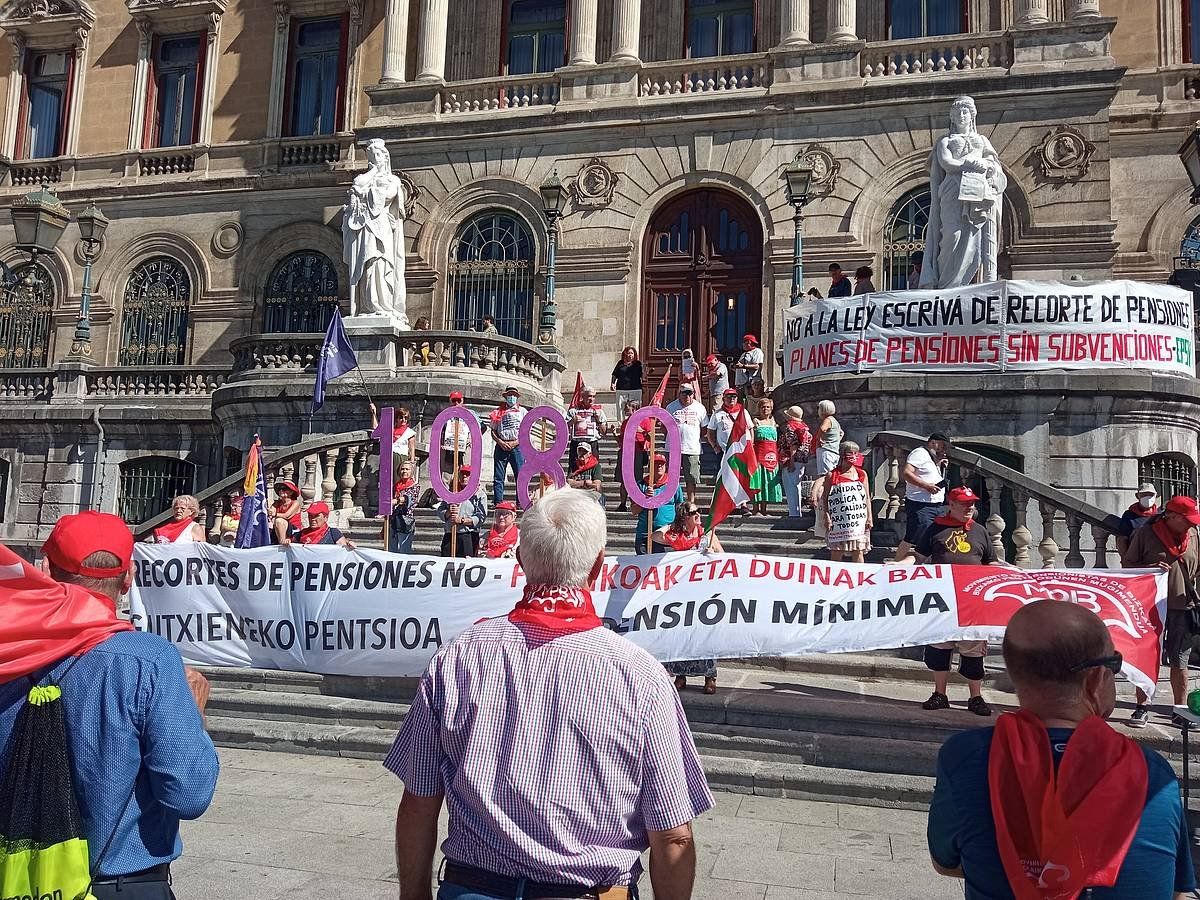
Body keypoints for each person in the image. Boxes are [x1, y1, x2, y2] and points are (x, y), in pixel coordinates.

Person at [386, 487, 712, 899]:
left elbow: (419, 802)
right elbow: (673, 837)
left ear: (520, 561)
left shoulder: (460, 655)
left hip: (475, 887)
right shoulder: (640, 675)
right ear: (597, 567)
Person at [0, 511, 219, 899]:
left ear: (45, 568)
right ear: (129, 576)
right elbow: (188, 793)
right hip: (121, 886)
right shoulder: (149, 661)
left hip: (12, 878)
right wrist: (195, 714)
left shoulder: (7, 656)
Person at [927, 599, 1196, 900]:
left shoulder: (965, 757)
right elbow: (1177, 890)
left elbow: (945, 862)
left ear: (1016, 674)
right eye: (1114, 664)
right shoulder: (1152, 772)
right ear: (1095, 679)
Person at [897, 486, 1002, 716]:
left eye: (972, 504)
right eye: (964, 504)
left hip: (972, 602)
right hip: (942, 601)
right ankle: (939, 693)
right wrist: (900, 565)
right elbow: (919, 556)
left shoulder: (980, 531)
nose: (969, 508)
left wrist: (1011, 571)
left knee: (973, 650)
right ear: (951, 505)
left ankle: (975, 697)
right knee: (939, 649)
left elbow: (990, 562)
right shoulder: (935, 529)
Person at [1122, 494, 1200, 727]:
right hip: (1149, 605)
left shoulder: (1194, 534)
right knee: (1148, 656)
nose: (1191, 524)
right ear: (1172, 516)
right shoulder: (1146, 534)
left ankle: (1180, 710)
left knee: (1180, 660)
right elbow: (1128, 565)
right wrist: (1150, 568)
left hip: (1183, 606)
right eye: (1187, 519)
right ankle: (1141, 707)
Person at [657, 502, 724, 695]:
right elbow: (656, 536)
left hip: (704, 592)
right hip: (683, 591)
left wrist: (713, 554)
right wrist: (671, 526)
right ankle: (680, 675)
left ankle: (710, 677)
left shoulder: (707, 534)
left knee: (704, 633)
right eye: (694, 512)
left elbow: (723, 556)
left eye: (699, 511)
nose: (698, 515)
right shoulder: (677, 536)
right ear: (684, 517)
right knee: (681, 633)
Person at [893, 432, 950, 562]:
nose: (944, 449)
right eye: (942, 445)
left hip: (936, 505)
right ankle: (896, 563)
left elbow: (926, 472)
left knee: (933, 535)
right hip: (921, 504)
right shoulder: (919, 453)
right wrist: (926, 486)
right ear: (933, 442)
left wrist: (939, 463)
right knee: (913, 537)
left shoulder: (932, 458)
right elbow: (907, 473)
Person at [820, 440, 873, 563]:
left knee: (858, 550)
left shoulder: (862, 474)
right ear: (843, 454)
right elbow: (826, 498)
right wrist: (827, 516)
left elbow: (866, 497)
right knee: (837, 552)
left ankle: (860, 578)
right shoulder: (831, 475)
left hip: (858, 521)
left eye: (856, 453)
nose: (854, 456)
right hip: (839, 521)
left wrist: (869, 517)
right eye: (851, 453)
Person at [435, 465, 488, 558]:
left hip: (468, 536)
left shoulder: (479, 494)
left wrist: (463, 520)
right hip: (450, 534)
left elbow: (481, 517)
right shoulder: (451, 492)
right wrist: (448, 512)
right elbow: (440, 510)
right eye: (462, 474)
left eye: (467, 474)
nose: (464, 477)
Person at [635, 453, 684, 554]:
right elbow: (634, 510)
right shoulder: (641, 485)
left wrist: (678, 528)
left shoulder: (673, 485)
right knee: (644, 567)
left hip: (666, 534)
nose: (659, 466)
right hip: (645, 534)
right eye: (656, 463)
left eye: (662, 464)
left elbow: (680, 508)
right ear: (649, 466)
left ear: (666, 466)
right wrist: (645, 499)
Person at [666, 385, 705, 504]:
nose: (687, 396)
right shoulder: (671, 407)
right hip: (673, 449)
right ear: (679, 394)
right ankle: (673, 500)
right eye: (685, 393)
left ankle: (691, 501)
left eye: (690, 393)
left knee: (691, 477)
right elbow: (664, 426)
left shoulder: (700, 408)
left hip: (692, 448)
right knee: (672, 477)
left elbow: (704, 428)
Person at [489, 386, 526, 507]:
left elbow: (526, 431)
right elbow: (493, 431)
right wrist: (500, 442)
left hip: (517, 446)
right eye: (510, 395)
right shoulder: (497, 411)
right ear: (505, 397)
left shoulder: (523, 412)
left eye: (514, 395)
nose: (512, 397)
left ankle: (521, 501)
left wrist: (516, 442)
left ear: (517, 397)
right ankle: (498, 501)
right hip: (501, 446)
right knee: (498, 476)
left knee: (520, 475)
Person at [749, 397, 783, 516]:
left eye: (767, 407)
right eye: (763, 407)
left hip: (772, 456)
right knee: (757, 482)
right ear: (759, 409)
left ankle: (764, 509)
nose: (765, 409)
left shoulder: (774, 422)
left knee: (768, 482)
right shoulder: (756, 421)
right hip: (759, 456)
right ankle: (755, 508)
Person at [615, 399, 649, 512]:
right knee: (623, 480)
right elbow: (621, 440)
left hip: (637, 453)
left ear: (634, 409)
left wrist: (642, 431)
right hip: (625, 452)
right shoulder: (625, 423)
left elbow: (651, 437)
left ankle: (636, 503)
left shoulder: (644, 420)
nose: (625, 410)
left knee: (636, 480)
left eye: (627, 408)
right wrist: (615, 435)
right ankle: (622, 503)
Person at [779, 406, 813, 519]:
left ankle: (794, 513)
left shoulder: (790, 427)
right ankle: (797, 512)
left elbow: (793, 445)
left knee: (790, 487)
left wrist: (791, 461)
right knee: (797, 485)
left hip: (792, 459)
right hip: (802, 459)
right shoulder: (804, 427)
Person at [371, 402, 418, 477]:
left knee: (398, 481)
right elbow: (376, 429)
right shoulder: (389, 429)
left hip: (401, 459)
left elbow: (412, 449)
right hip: (387, 457)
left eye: (406, 418)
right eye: (401, 417)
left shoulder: (409, 432)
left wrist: (411, 464)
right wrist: (374, 413)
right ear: (397, 419)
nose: (403, 420)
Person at [567, 385, 609, 462]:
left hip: (592, 443)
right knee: (574, 469)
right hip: (576, 443)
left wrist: (598, 420)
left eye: (593, 396)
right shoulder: (573, 411)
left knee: (593, 469)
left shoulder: (599, 412)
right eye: (589, 396)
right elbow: (563, 428)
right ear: (582, 396)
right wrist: (572, 421)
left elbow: (604, 432)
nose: (592, 399)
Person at [1116, 482, 1159, 557]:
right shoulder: (1129, 515)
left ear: (1155, 496)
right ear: (1137, 496)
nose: (1148, 497)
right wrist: (1126, 559)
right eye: (1144, 495)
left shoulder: (1159, 515)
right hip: (1136, 556)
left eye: (1151, 495)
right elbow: (1122, 539)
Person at [439, 392, 473, 483]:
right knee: (446, 476)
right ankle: (444, 496)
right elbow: (439, 430)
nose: (456, 403)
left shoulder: (471, 414)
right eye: (454, 400)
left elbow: (481, 427)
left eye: (459, 400)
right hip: (448, 449)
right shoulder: (445, 415)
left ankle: (463, 495)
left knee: (464, 475)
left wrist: (471, 439)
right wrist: (442, 442)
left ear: (462, 401)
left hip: (464, 449)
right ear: (450, 401)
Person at [388, 462, 420, 554]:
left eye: (407, 469)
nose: (404, 471)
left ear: (411, 472)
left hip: (405, 522)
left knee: (404, 551)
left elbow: (409, 498)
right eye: (402, 469)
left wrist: (397, 500)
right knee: (391, 551)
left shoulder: (415, 486)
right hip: (393, 521)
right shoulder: (396, 486)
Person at [704, 388, 741, 455]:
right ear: (723, 399)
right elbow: (710, 432)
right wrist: (714, 446)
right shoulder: (717, 414)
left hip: (739, 451)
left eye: (734, 396)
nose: (732, 398)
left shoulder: (743, 412)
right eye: (729, 396)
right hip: (723, 451)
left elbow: (750, 429)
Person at [610, 346, 643, 413]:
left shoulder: (638, 364)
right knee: (620, 408)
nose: (630, 355)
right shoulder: (620, 363)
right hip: (621, 390)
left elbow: (642, 375)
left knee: (635, 408)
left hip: (635, 389)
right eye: (628, 353)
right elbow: (614, 374)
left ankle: (634, 422)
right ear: (625, 354)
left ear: (634, 354)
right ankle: (621, 423)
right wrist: (612, 383)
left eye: (632, 353)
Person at [271, 480, 303, 545]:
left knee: (279, 520)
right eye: (280, 489)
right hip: (280, 529)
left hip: (293, 530)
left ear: (291, 492)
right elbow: (271, 512)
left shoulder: (295, 503)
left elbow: (286, 515)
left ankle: (282, 543)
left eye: (284, 489)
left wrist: (275, 514)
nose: (281, 490)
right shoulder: (277, 503)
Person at [733, 334, 764, 401]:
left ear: (749, 343)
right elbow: (740, 367)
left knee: (750, 401)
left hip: (750, 383)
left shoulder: (757, 352)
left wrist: (743, 366)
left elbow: (757, 366)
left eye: (744, 342)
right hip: (740, 384)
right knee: (739, 403)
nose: (742, 344)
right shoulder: (743, 354)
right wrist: (734, 367)